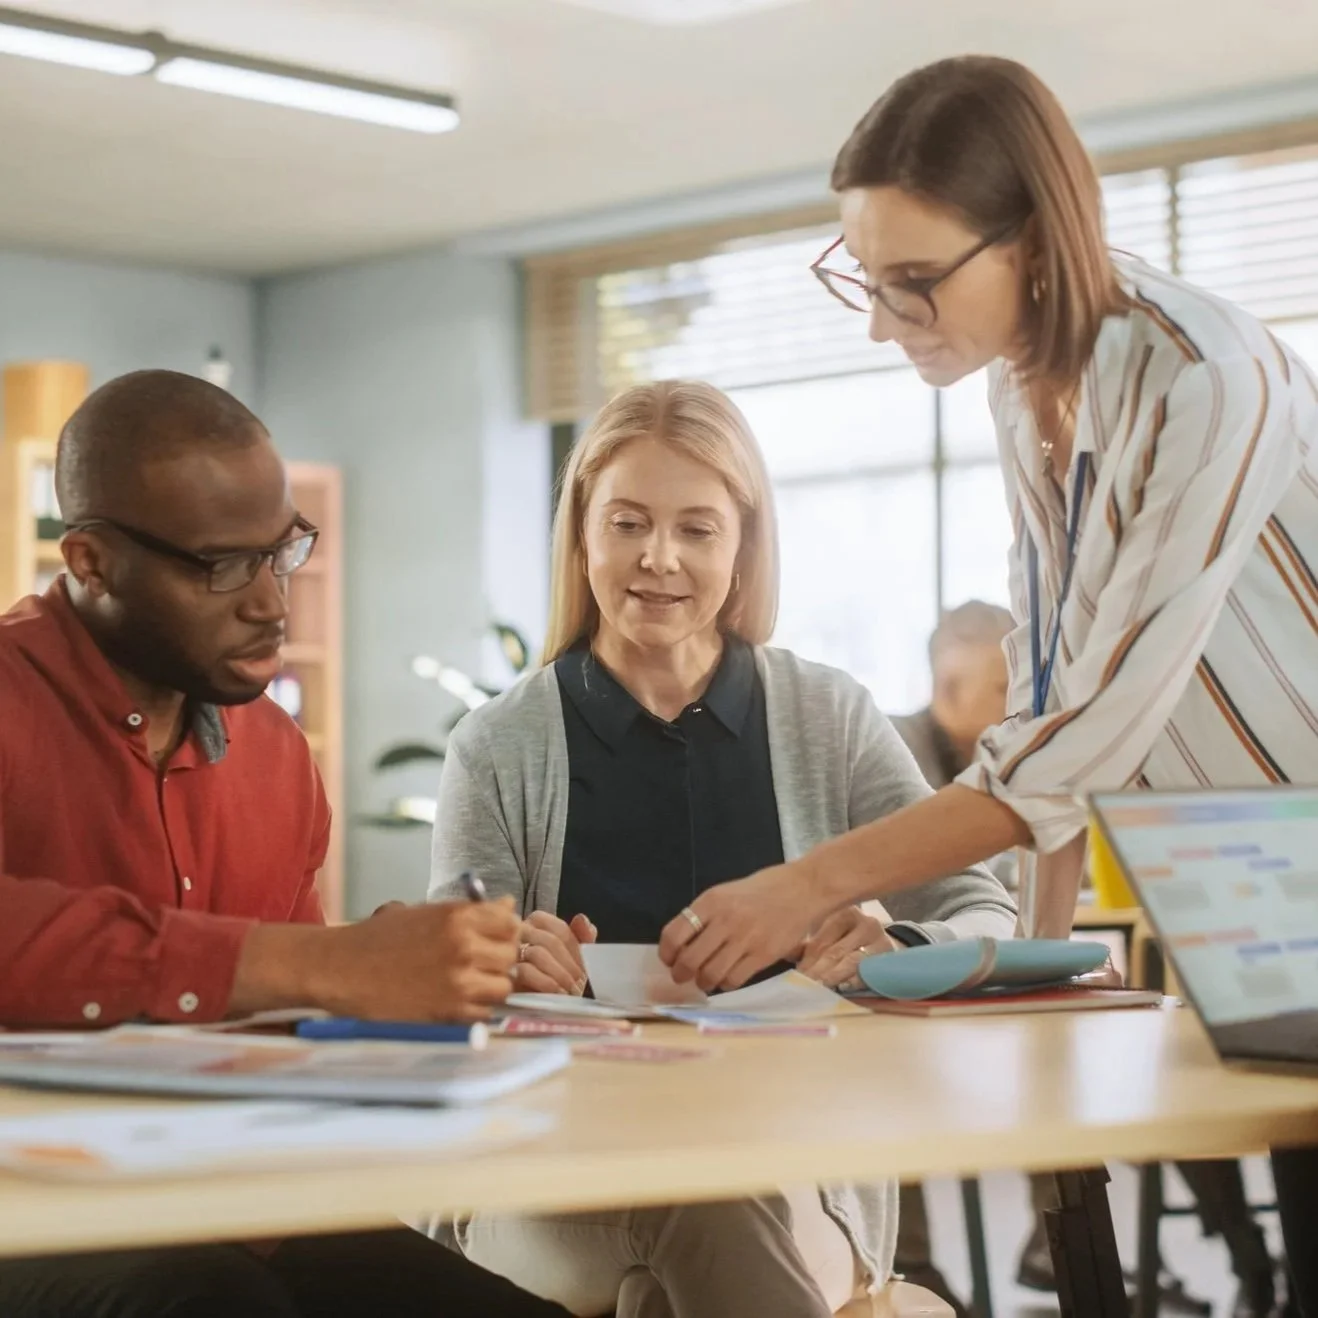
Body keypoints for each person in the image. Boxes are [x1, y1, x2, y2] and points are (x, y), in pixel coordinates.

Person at [650, 59, 1318, 1311]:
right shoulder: (1029, 394)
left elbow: (1084, 735)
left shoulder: (1202, 377)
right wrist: (1037, 960)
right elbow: (1047, 682)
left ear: (1037, 242)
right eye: (864, 277)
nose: (880, 321)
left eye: (913, 284)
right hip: (1244, 855)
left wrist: (805, 882)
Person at [423, 380, 1016, 1318]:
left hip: (791, 1171)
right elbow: (443, 1009)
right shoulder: (494, 747)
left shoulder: (829, 716)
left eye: (697, 529)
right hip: (546, 1176)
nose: (659, 558)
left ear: (743, 548)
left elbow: (986, 912)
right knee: (697, 1211)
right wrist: (505, 970)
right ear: (583, 535)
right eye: (628, 523)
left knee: (681, 1263)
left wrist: (895, 951)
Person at [0, 370, 569, 1318]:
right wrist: (313, 962)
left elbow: (282, 1022)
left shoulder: (273, 751)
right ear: (91, 562)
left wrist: (406, 987)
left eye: (283, 552)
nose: (272, 604)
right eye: (222, 565)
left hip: (232, 1199)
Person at [894, 603, 1278, 1315]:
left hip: (1016, 989)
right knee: (1062, 1049)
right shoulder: (897, 755)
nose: (1025, 712)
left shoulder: (1024, 759)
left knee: (1163, 1052)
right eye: (1007, 690)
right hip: (923, 1007)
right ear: (948, 686)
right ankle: (931, 1264)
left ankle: (1236, 1249)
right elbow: (925, 888)